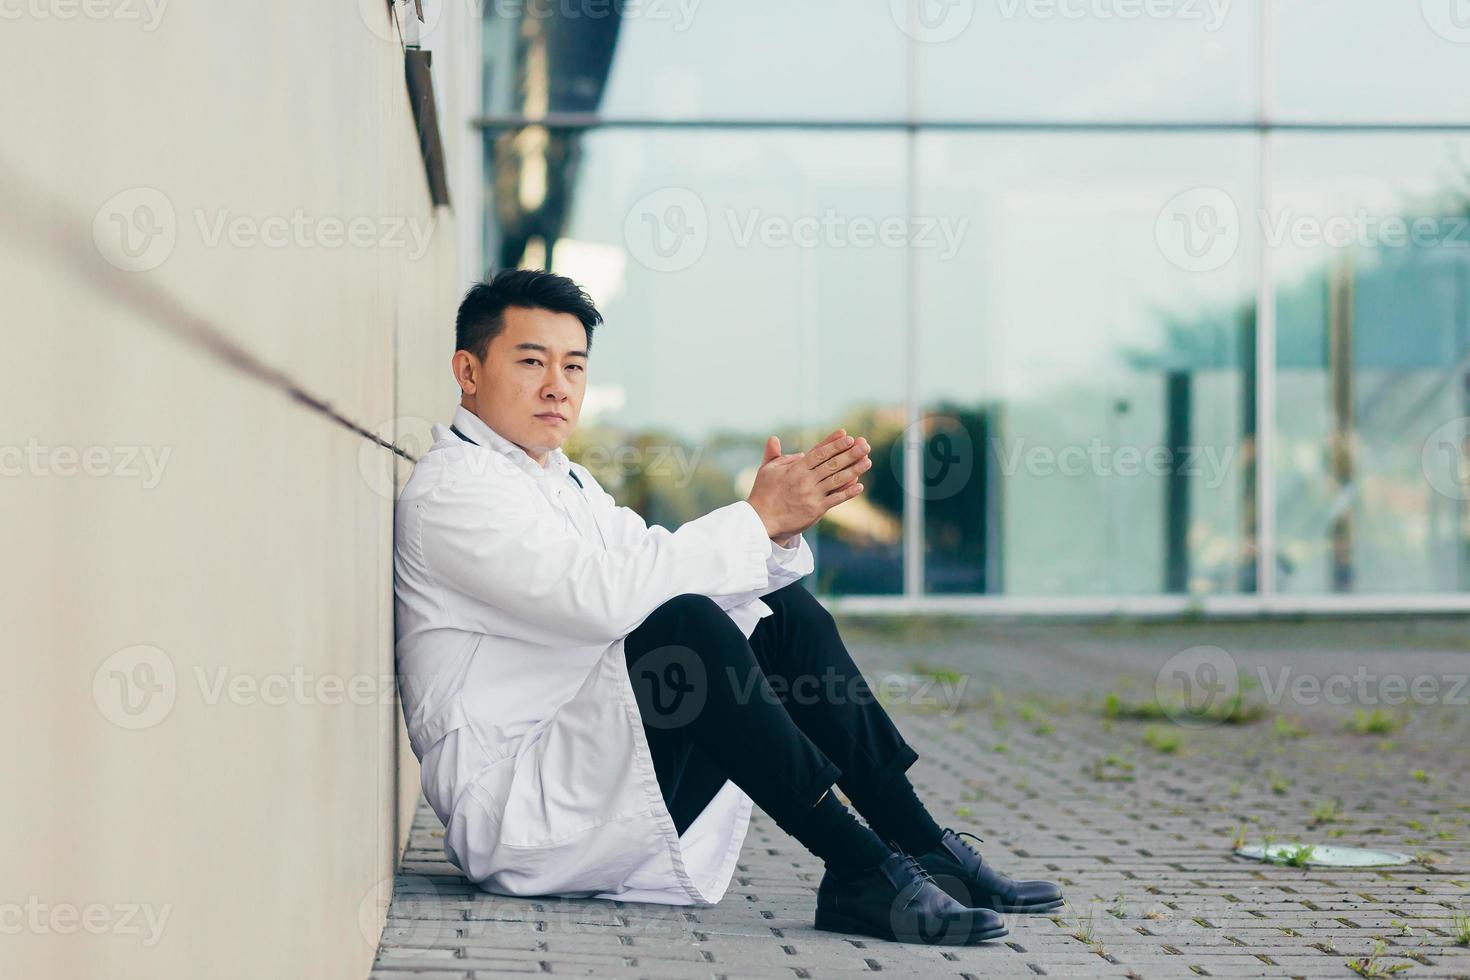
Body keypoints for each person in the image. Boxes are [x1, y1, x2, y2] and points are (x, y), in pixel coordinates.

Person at [393, 269, 1063, 946]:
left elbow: (656, 561)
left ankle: (920, 846)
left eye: (573, 366)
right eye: (531, 361)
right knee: (684, 630)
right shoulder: (456, 491)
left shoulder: (564, 480)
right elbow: (600, 598)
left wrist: (774, 529)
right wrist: (749, 517)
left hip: (593, 763)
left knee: (781, 614)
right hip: (522, 812)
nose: (557, 386)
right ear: (468, 371)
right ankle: (861, 868)